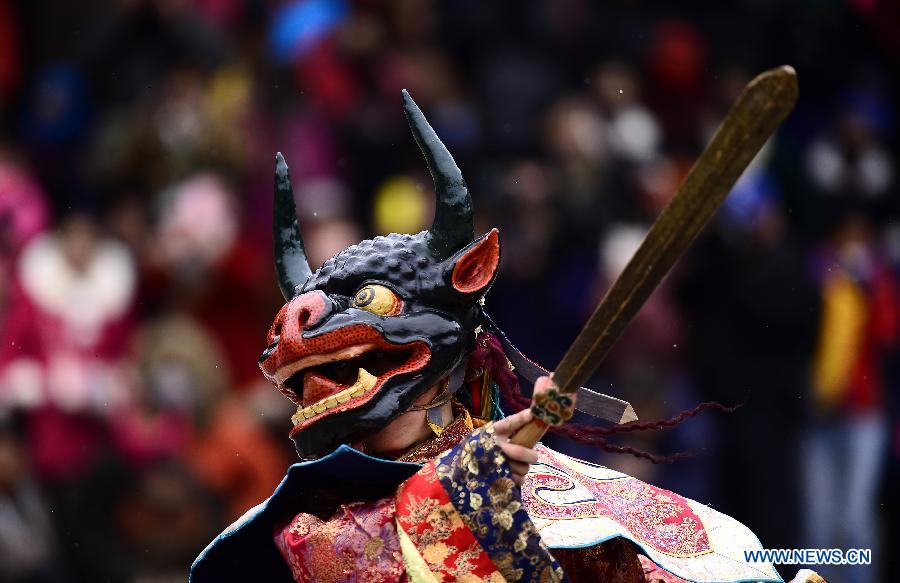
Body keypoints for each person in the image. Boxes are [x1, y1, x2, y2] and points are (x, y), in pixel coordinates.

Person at [191, 91, 821, 583]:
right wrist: (454, 496)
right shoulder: (302, 526)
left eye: (370, 305)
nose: (310, 331)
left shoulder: (548, 488)